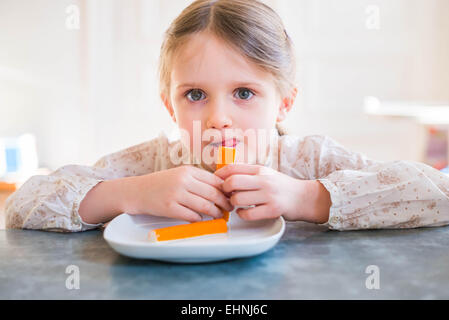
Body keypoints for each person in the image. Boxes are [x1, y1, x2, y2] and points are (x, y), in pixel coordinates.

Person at [5, 0, 449, 232]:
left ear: (285, 103)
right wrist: (129, 194)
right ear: (169, 105)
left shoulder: (311, 161)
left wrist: (308, 199)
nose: (218, 117)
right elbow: (22, 205)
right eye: (196, 94)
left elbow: (439, 194)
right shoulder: (154, 165)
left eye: (244, 93)